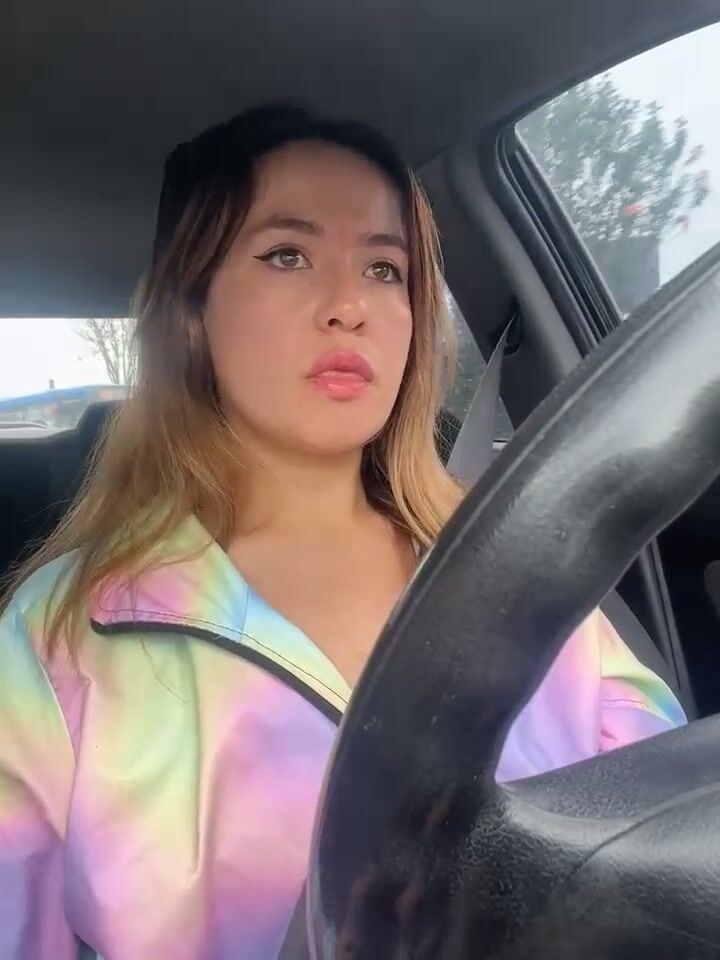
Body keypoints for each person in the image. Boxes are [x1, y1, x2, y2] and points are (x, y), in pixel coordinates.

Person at [0, 104, 685, 959]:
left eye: (386, 269)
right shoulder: (64, 634)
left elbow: (666, 855)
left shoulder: (524, 571)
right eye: (287, 255)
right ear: (190, 314)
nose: (349, 305)